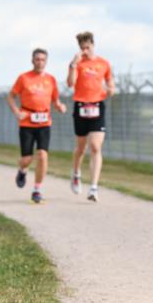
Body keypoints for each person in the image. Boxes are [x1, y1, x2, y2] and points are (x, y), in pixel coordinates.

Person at [7, 49, 67, 203]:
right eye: (37, 59)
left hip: (44, 122)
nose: (40, 62)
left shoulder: (51, 80)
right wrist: (16, 112)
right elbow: (11, 96)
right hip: (27, 122)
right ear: (32, 61)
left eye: (42, 59)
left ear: (46, 62)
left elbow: (55, 100)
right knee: (26, 159)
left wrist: (60, 106)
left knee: (42, 155)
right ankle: (22, 170)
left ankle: (37, 190)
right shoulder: (24, 78)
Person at [66, 31, 114, 202]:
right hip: (80, 106)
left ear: (93, 45)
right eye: (82, 48)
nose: (85, 51)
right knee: (81, 149)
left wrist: (110, 89)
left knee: (95, 146)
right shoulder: (77, 63)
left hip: (97, 106)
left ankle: (93, 187)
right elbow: (70, 83)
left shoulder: (104, 63)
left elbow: (110, 83)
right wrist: (73, 65)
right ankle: (76, 173)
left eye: (87, 47)